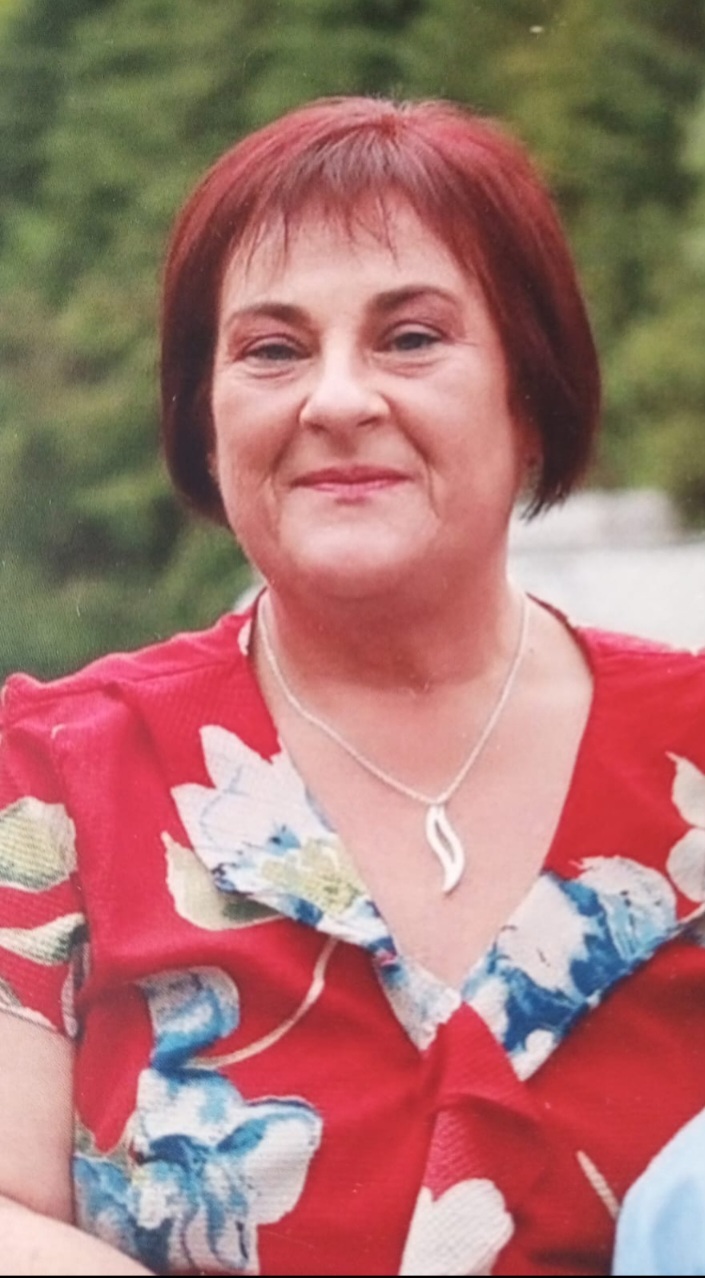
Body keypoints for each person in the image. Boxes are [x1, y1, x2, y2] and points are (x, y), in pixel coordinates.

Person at [1, 94, 704, 1278]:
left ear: (532, 395)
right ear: (204, 421)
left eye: (411, 338)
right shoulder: (54, 775)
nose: (336, 400)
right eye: (272, 350)